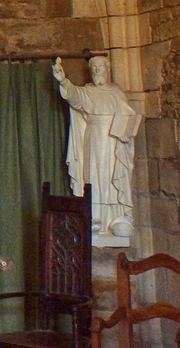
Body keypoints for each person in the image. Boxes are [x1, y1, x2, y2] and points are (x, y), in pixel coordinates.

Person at [52, 56, 141, 238]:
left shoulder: (117, 93)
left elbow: (129, 117)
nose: (97, 70)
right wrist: (63, 81)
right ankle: (94, 217)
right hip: (93, 138)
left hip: (114, 142)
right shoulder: (87, 92)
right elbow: (74, 95)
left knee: (112, 177)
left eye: (100, 67)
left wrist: (126, 133)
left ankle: (116, 218)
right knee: (93, 175)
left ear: (107, 69)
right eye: (94, 68)